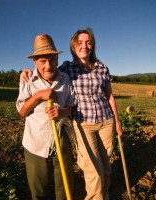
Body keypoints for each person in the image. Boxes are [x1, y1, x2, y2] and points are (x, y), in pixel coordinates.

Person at [20, 28, 123, 200]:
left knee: (102, 168)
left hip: (99, 124)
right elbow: (24, 108)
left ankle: (103, 195)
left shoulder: (94, 70)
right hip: (71, 128)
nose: (84, 46)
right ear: (73, 46)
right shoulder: (60, 71)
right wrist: (31, 82)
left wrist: (117, 121)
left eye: (88, 42)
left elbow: (107, 96)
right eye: (80, 42)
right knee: (90, 169)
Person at [16, 34, 76, 200]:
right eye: (42, 61)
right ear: (35, 62)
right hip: (36, 140)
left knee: (64, 186)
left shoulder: (65, 78)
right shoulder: (28, 79)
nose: (48, 65)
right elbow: (22, 111)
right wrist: (37, 96)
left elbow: (71, 106)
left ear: (57, 59)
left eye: (51, 59)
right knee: (39, 187)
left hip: (61, 137)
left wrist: (61, 112)